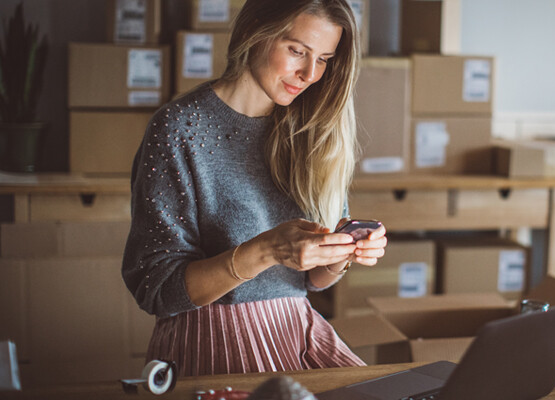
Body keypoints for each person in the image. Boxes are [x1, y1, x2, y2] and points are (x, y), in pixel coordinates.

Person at [122, 0, 387, 377]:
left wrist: (341, 253)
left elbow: (311, 282)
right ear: (254, 33)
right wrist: (266, 250)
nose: (310, 73)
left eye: (325, 59)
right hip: (210, 337)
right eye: (297, 51)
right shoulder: (179, 128)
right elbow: (157, 289)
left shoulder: (313, 129)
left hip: (297, 328)